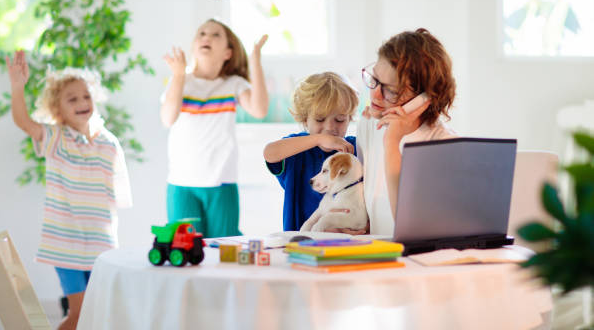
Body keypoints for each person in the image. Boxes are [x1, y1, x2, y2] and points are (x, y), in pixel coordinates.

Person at [5, 51, 132, 330]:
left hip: (100, 244)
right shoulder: (56, 138)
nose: (82, 102)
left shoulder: (108, 143)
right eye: (72, 99)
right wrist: (17, 87)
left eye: (86, 96)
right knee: (79, 314)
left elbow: (114, 195)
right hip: (66, 244)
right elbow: (24, 123)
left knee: (96, 314)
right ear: (58, 110)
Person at [160, 18, 268, 238]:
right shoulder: (181, 81)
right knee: (186, 249)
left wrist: (255, 61)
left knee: (224, 250)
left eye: (215, 34)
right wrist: (178, 76)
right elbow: (167, 118)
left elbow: (259, 109)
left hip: (222, 183)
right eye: (201, 33)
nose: (206, 37)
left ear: (228, 53)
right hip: (182, 185)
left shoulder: (234, 84)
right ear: (194, 46)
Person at [358, 28, 457, 235]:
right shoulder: (369, 125)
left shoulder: (443, 145)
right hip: (377, 258)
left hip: (416, 263)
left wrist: (392, 142)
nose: (375, 95)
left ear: (425, 98)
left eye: (391, 90)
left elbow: (409, 229)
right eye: (374, 79)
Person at [263, 72, 359, 231]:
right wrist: (318, 139)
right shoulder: (297, 150)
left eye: (340, 119)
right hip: (300, 244)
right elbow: (269, 153)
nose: (330, 127)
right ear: (304, 119)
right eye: (320, 119)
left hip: (345, 243)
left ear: (349, 118)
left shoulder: (354, 149)